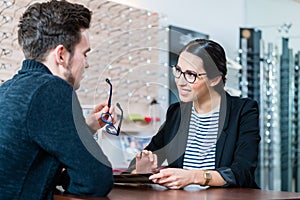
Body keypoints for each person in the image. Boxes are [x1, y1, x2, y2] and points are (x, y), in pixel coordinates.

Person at [0, 0, 116, 199]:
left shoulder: (7, 89)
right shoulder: (52, 88)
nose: (86, 64)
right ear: (61, 55)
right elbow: (96, 179)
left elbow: (32, 161)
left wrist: (84, 127)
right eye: (85, 54)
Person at [126, 39, 261, 189]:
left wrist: (194, 176)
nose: (180, 82)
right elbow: (139, 164)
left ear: (215, 79)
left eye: (191, 75)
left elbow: (242, 172)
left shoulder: (243, 111)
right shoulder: (176, 113)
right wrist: (141, 172)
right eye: (178, 71)